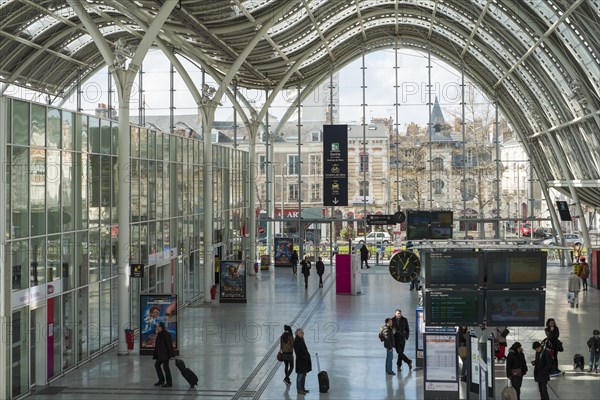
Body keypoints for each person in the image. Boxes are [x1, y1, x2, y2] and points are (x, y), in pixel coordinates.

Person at [153, 322, 175, 387]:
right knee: (157, 365)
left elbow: (169, 345)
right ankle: (161, 380)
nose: (156, 328)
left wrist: (172, 355)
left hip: (165, 354)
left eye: (157, 326)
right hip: (160, 354)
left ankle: (169, 382)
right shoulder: (159, 334)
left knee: (165, 368)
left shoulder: (166, 334)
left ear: (161, 327)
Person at [293, 328, 312, 395]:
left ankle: (302, 388)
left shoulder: (301, 339)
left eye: (303, 332)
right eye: (301, 332)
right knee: (300, 376)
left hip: (304, 362)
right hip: (301, 362)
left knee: (304, 375)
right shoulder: (297, 341)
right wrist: (304, 357)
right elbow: (298, 353)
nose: (303, 333)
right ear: (297, 334)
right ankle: (299, 389)